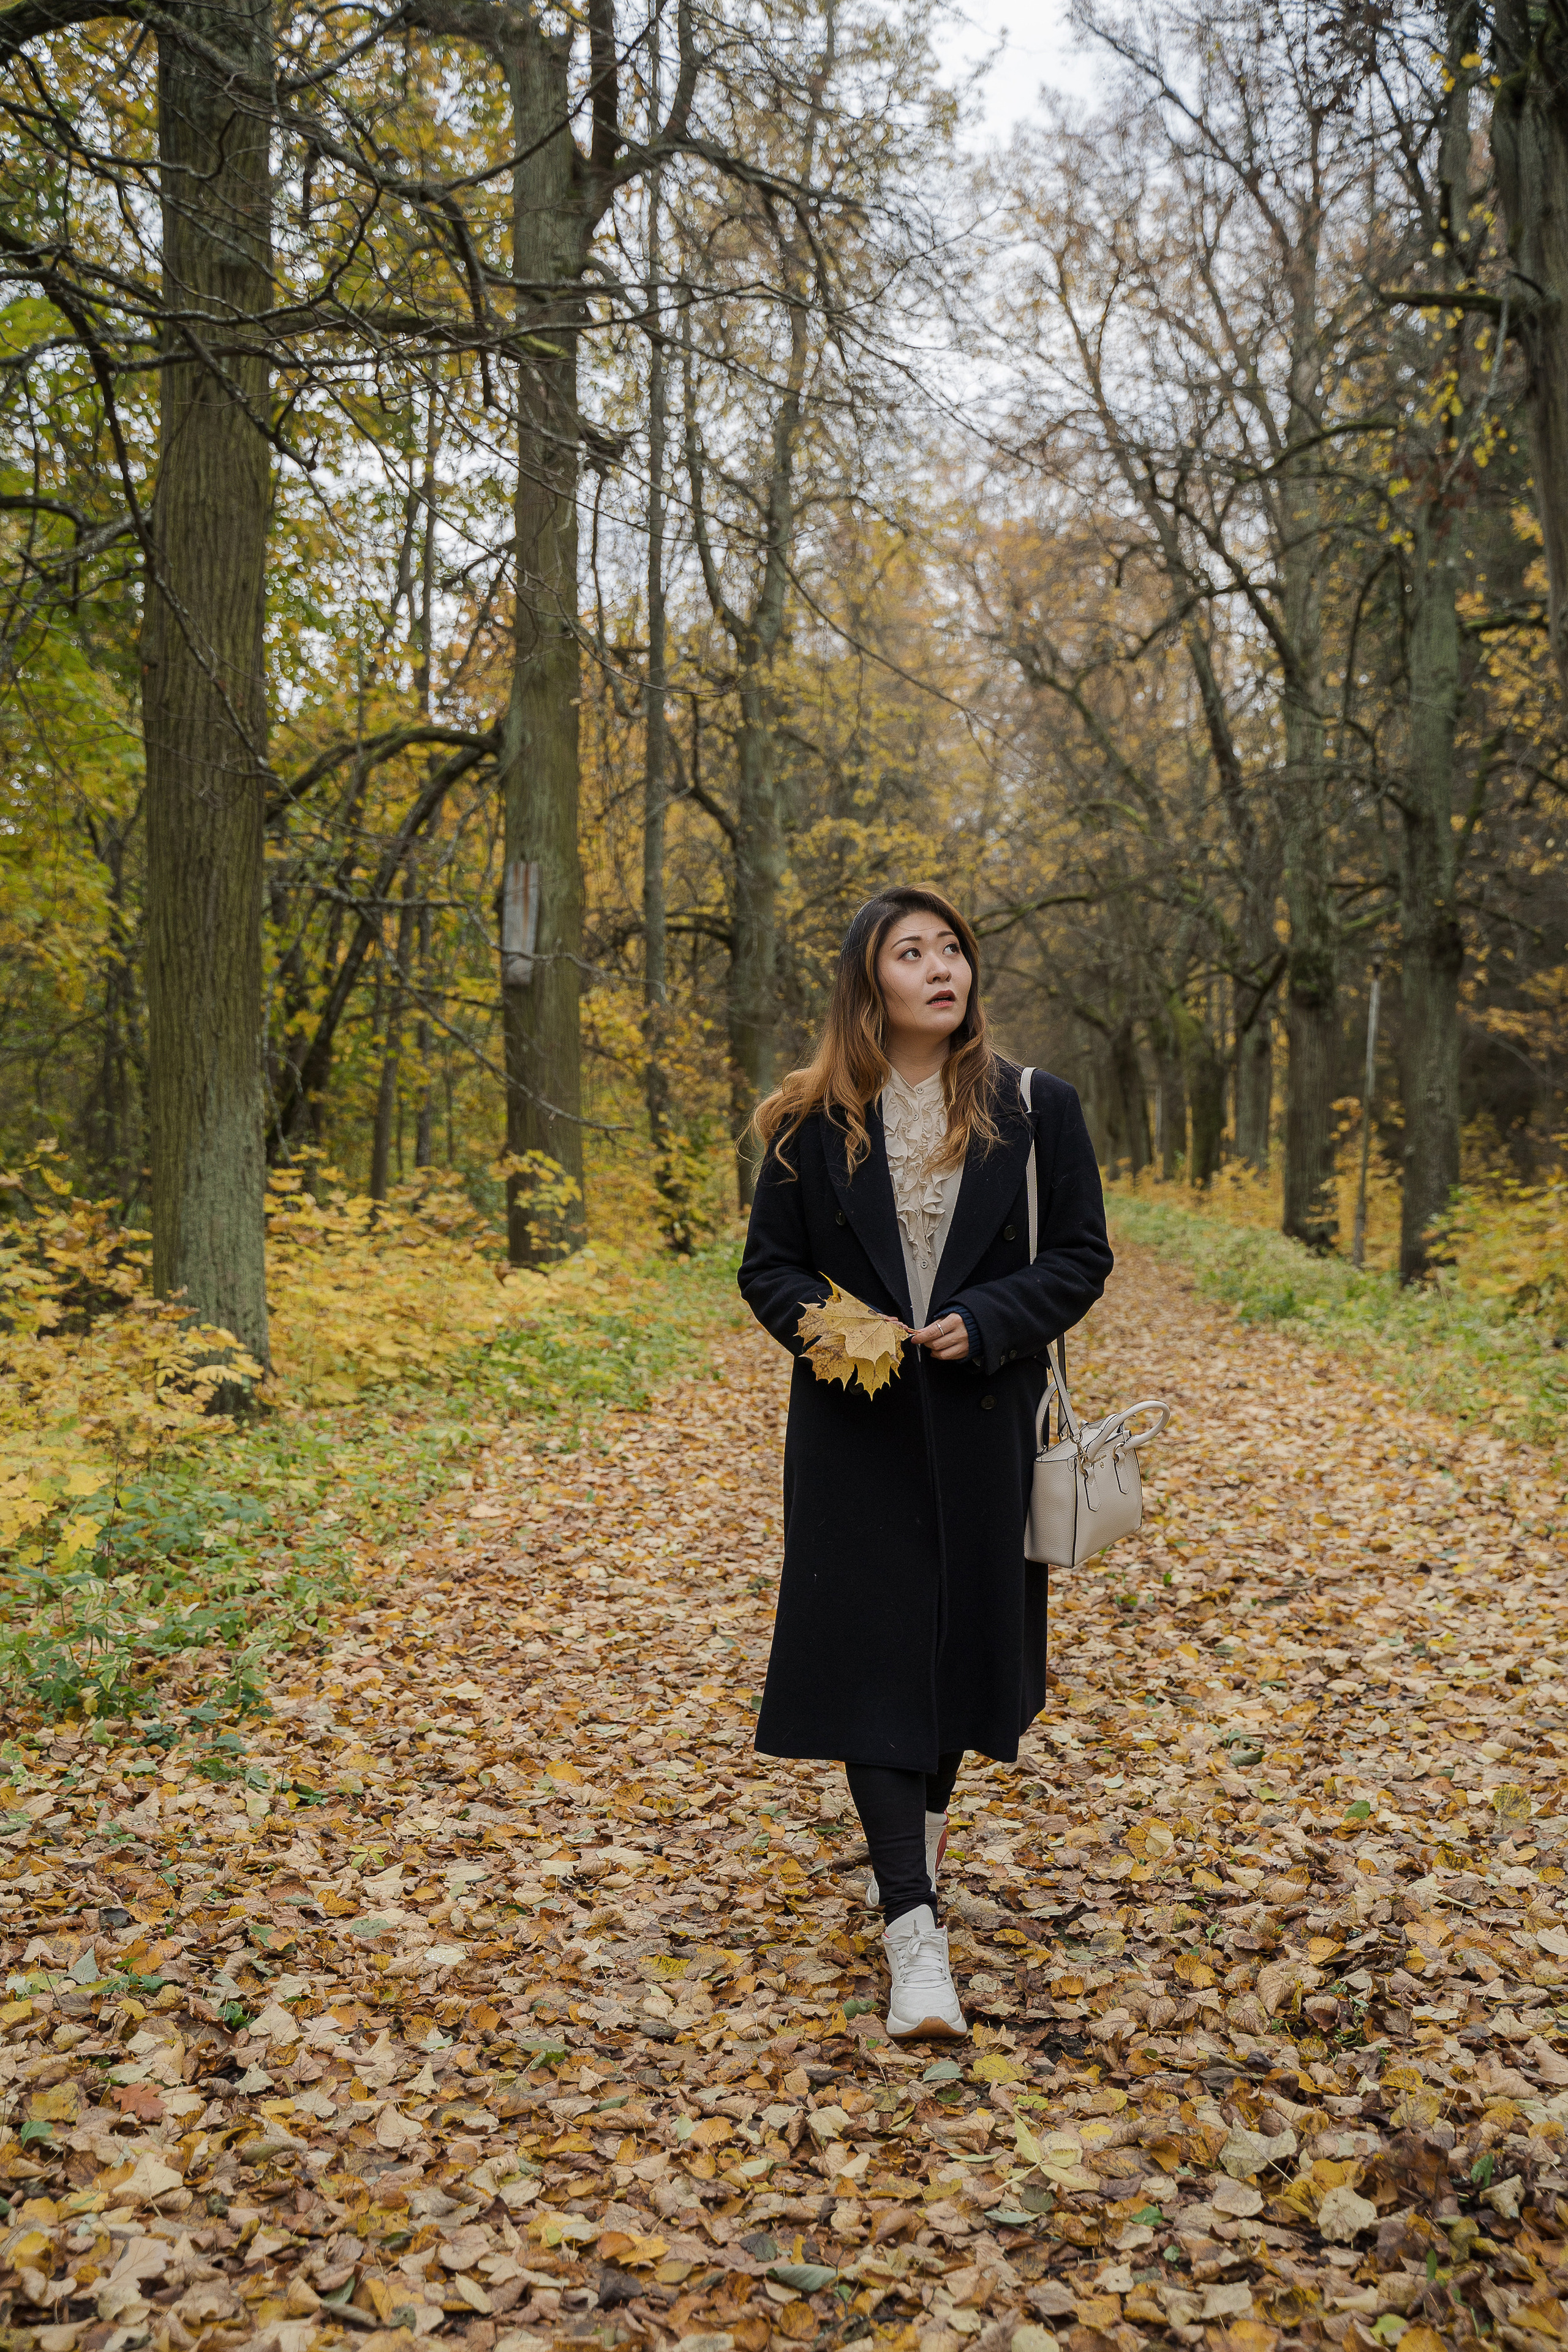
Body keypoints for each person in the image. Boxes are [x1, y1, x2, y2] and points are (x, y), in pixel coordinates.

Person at [737, 886, 1114, 2040]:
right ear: (870, 982)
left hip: (983, 1426)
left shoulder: (1036, 1107)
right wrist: (845, 1335)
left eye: (953, 949)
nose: (942, 968)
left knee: (958, 1657)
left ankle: (915, 1847)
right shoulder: (807, 1122)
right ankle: (915, 1933)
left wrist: (990, 1318)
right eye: (912, 953)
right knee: (874, 1667)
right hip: (854, 1434)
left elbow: (1081, 1257)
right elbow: (769, 1269)